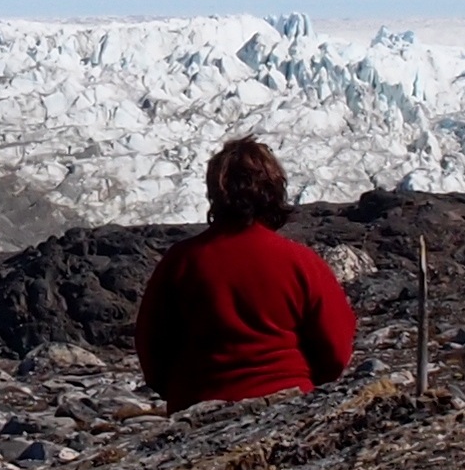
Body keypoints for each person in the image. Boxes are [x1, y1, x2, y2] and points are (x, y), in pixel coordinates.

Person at [134, 137, 358, 409]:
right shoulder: (302, 262)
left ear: (215, 193)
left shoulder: (181, 261)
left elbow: (152, 346)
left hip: (196, 404)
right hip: (288, 403)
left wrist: (181, 393)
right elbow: (335, 351)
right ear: (274, 190)